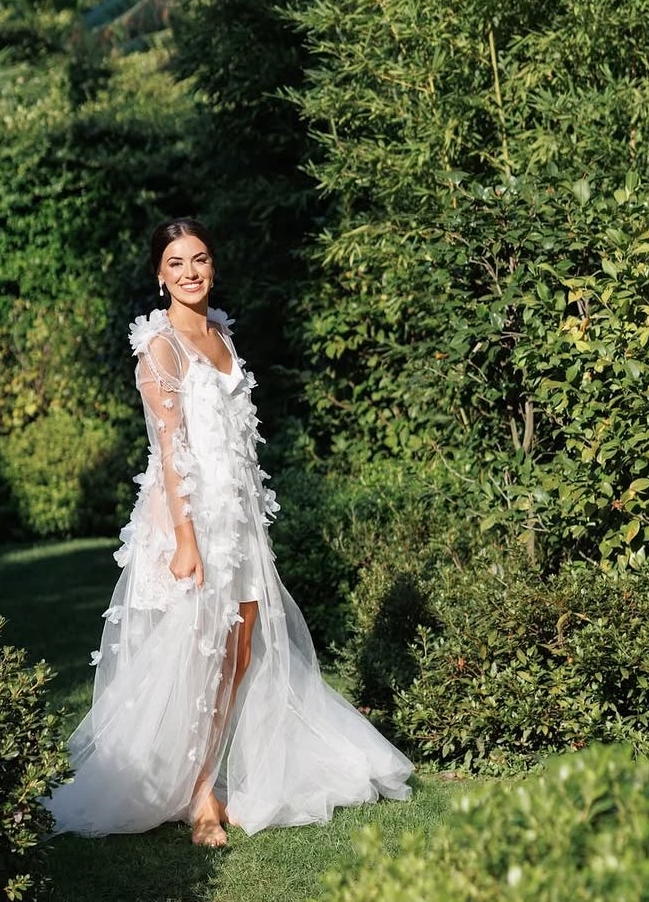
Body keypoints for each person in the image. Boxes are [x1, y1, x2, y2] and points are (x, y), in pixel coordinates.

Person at [45, 218, 413, 845]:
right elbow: (169, 451)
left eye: (201, 259)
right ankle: (197, 798)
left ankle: (209, 774)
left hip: (239, 513)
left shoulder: (221, 334)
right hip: (195, 519)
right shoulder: (159, 348)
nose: (191, 271)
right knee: (200, 654)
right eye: (177, 262)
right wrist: (186, 537)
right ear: (159, 275)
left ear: (212, 268)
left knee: (240, 653)